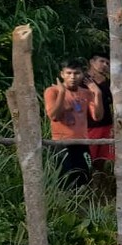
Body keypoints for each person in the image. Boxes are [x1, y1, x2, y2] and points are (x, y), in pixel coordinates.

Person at [44, 59, 103, 188]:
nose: (72, 77)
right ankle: (64, 208)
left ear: (82, 74)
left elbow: (97, 117)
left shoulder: (86, 93)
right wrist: (62, 94)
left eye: (76, 73)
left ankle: (84, 207)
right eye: (69, 73)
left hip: (82, 143)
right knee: (65, 182)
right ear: (62, 74)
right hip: (61, 143)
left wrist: (98, 94)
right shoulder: (52, 91)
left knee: (84, 179)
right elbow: (54, 116)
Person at [85, 51, 114, 173]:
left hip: (106, 125)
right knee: (88, 159)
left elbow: (113, 103)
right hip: (88, 126)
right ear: (92, 62)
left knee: (102, 159)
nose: (104, 65)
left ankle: (99, 187)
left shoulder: (108, 83)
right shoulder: (83, 80)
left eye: (107, 63)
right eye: (101, 61)